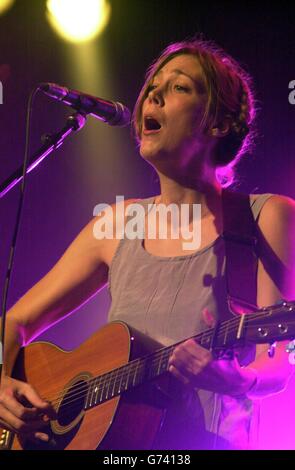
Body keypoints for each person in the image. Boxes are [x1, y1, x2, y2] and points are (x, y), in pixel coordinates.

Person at [0, 37, 294, 450]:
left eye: (178, 87)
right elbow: (13, 323)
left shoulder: (265, 216)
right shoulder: (117, 223)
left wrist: (238, 379)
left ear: (219, 123)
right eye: (153, 86)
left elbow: (279, 362)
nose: (153, 93)